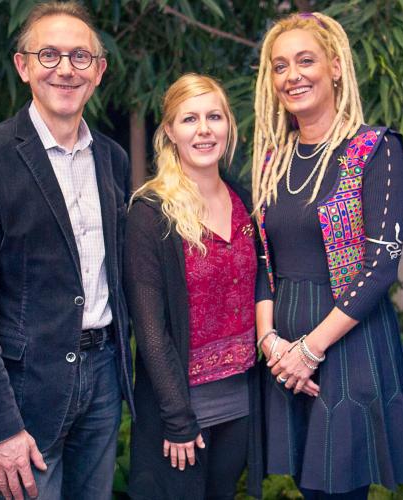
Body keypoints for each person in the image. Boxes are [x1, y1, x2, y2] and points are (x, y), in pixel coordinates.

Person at [0, 3, 133, 499]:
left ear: (98, 71)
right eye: (49, 55)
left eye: (79, 57)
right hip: (24, 391)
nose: (65, 69)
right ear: (23, 66)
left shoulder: (111, 158)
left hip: (103, 379)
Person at [252, 12, 403, 498]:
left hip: (347, 343)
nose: (292, 75)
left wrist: (310, 350)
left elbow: (382, 266)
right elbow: (264, 263)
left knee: (338, 490)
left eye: (306, 60)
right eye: (280, 66)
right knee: (307, 487)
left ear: (336, 66)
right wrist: (271, 345)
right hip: (283, 347)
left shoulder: (375, 149)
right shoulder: (272, 159)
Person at [123, 73, 264, 500]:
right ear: (170, 131)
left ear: (228, 126)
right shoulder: (151, 213)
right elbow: (150, 331)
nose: (204, 129)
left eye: (214, 117)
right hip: (180, 416)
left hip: (239, 405)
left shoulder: (245, 202)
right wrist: (178, 419)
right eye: (189, 119)